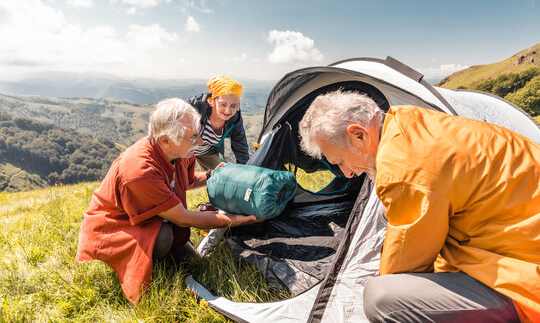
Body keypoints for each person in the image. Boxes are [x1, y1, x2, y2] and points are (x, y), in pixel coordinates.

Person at [298, 90, 539, 323]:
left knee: (381, 298)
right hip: (519, 239)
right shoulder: (407, 120)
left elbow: (403, 267)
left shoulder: (403, 167)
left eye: (340, 161)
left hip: (526, 280)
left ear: (358, 134)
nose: (347, 173)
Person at [76, 98, 259, 304]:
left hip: (155, 215)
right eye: (193, 137)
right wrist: (232, 220)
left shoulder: (180, 149)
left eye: (198, 134)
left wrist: (211, 175)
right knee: (163, 237)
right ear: (165, 140)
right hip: (116, 227)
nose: (199, 143)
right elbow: (183, 218)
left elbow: (187, 181)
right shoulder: (139, 171)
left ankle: (168, 253)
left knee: (193, 264)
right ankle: (152, 268)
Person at [188, 75, 249, 170]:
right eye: (223, 104)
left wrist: (245, 172)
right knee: (178, 180)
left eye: (233, 105)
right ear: (212, 101)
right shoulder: (194, 106)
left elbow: (241, 149)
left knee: (221, 175)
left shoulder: (235, 120)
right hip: (184, 149)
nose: (228, 111)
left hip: (207, 151)